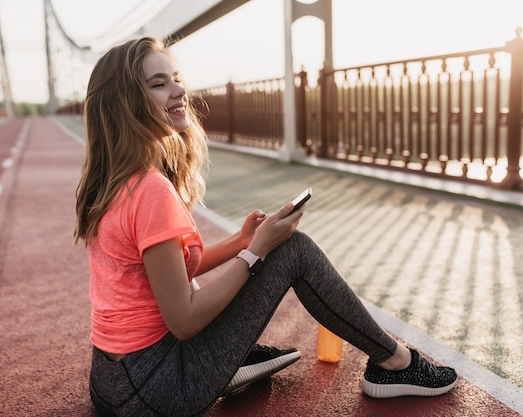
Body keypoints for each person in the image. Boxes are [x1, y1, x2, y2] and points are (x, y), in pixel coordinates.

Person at [74, 37, 458, 417]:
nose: (179, 90)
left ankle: (228, 359)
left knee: (241, 265)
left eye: (175, 78)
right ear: (125, 104)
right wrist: (255, 251)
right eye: (159, 84)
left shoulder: (116, 181)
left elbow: (166, 274)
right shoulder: (151, 189)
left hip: (111, 384)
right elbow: (185, 320)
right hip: (156, 391)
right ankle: (396, 363)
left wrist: (241, 242)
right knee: (294, 250)